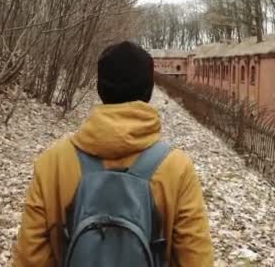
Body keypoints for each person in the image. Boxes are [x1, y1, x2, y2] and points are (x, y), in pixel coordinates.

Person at [12, 41, 214, 266]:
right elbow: (196, 257)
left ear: (101, 89)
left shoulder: (53, 163)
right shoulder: (177, 168)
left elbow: (30, 256)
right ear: (148, 92)